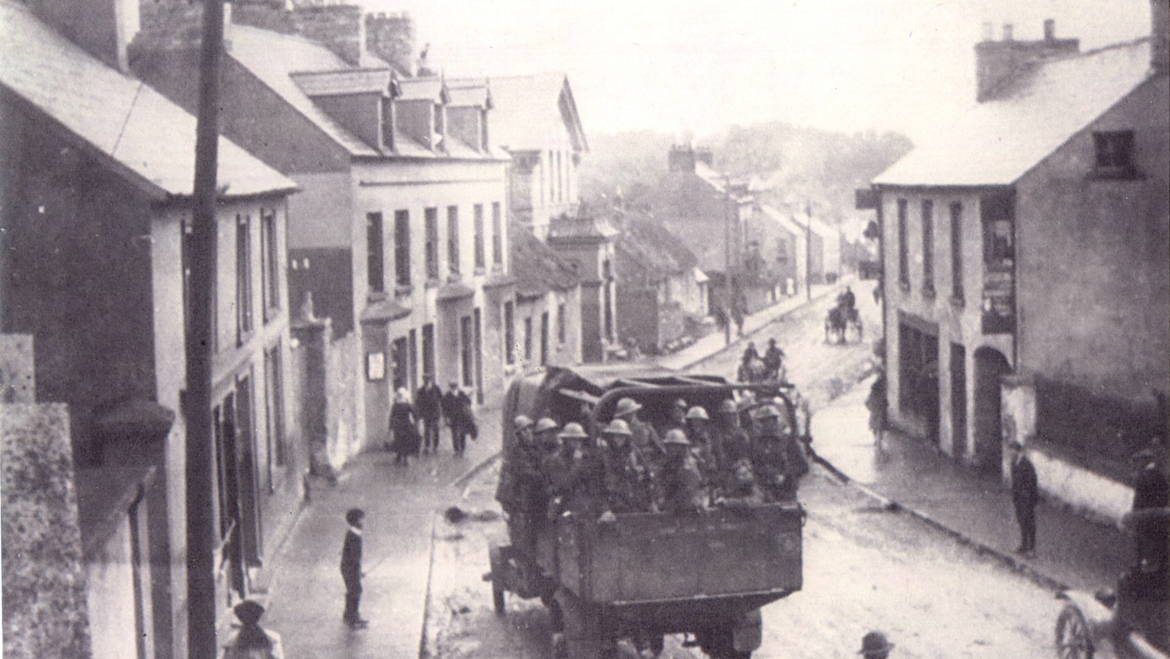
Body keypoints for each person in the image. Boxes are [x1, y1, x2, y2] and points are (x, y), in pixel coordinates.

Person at [751, 405, 809, 502]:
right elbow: (754, 463)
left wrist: (785, 476)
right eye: (762, 421)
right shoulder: (758, 442)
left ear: (775, 421)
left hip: (786, 491)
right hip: (764, 491)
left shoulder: (789, 440)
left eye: (767, 421)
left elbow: (803, 466)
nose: (764, 425)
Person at [1129, 438, 1169, 569]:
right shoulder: (1149, 471)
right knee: (1144, 545)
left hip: (1154, 516)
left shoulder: (1157, 473)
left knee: (1151, 546)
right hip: (1148, 514)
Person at [599, 419, 653, 514]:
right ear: (610, 437)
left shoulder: (633, 452)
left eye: (621, 436)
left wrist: (651, 502)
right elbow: (598, 484)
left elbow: (647, 476)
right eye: (615, 436)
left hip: (636, 502)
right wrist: (605, 509)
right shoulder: (605, 455)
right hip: (614, 503)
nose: (618, 439)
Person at [558, 422, 607, 518]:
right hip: (565, 503)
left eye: (579, 440)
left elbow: (593, 480)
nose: (577, 443)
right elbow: (564, 484)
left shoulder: (584, 456)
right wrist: (577, 463)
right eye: (573, 440)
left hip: (584, 503)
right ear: (566, 441)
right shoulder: (558, 459)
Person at [657, 429, 706, 514]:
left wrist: (669, 503)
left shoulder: (688, 465)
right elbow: (661, 484)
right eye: (669, 446)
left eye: (675, 446)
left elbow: (689, 491)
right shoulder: (668, 464)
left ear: (682, 447)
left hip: (688, 510)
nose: (672, 449)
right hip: (673, 509)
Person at [1008, 439, 1038, 557]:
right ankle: (1023, 545)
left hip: (1027, 499)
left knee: (1029, 522)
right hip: (1018, 498)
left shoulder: (1027, 464)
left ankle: (1032, 548)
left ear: (1017, 451)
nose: (1010, 453)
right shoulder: (1013, 463)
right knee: (1021, 521)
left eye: (1012, 451)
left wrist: (1030, 498)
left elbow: (1032, 482)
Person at [613, 397, 664, 464]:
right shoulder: (617, 429)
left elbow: (660, 450)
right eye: (624, 414)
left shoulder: (646, 428)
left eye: (630, 413)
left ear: (634, 412)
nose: (627, 416)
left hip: (647, 465)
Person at [711, 399, 753, 479]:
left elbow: (748, 451)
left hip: (744, 468)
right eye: (727, 414)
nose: (730, 417)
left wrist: (745, 463)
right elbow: (720, 455)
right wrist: (732, 466)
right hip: (728, 471)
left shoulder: (742, 432)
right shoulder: (718, 433)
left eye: (732, 414)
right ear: (722, 416)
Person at [340, 508, 368, 629]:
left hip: (348, 567)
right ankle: (353, 618)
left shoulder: (352, 533)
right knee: (356, 591)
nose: (363, 522)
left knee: (353, 591)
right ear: (356, 521)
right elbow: (354, 556)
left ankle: (348, 615)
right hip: (350, 568)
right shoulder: (354, 535)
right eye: (361, 519)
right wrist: (358, 572)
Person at [442, 382, 474, 457]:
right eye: (452, 387)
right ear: (450, 387)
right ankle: (456, 450)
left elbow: (468, 402)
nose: (453, 388)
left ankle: (462, 450)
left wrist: (466, 406)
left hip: (462, 417)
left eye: (455, 387)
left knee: (462, 434)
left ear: (457, 387)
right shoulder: (447, 396)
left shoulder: (461, 393)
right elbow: (444, 407)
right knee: (454, 434)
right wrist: (446, 417)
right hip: (453, 418)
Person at [388, 388, 419, 465]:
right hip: (406, 424)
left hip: (398, 425)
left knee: (399, 440)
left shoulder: (395, 405)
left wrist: (390, 427)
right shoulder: (407, 404)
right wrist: (415, 421)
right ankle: (405, 458)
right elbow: (415, 413)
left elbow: (392, 416)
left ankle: (399, 456)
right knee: (406, 440)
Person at [415, 375, 443, 454]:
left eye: (427, 380)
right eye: (425, 380)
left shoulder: (436, 388)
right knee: (427, 430)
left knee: (435, 429)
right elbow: (418, 402)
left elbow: (441, 399)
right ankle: (427, 446)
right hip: (426, 413)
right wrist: (419, 413)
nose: (426, 382)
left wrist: (440, 410)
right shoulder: (421, 390)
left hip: (435, 413)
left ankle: (435, 447)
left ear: (430, 380)